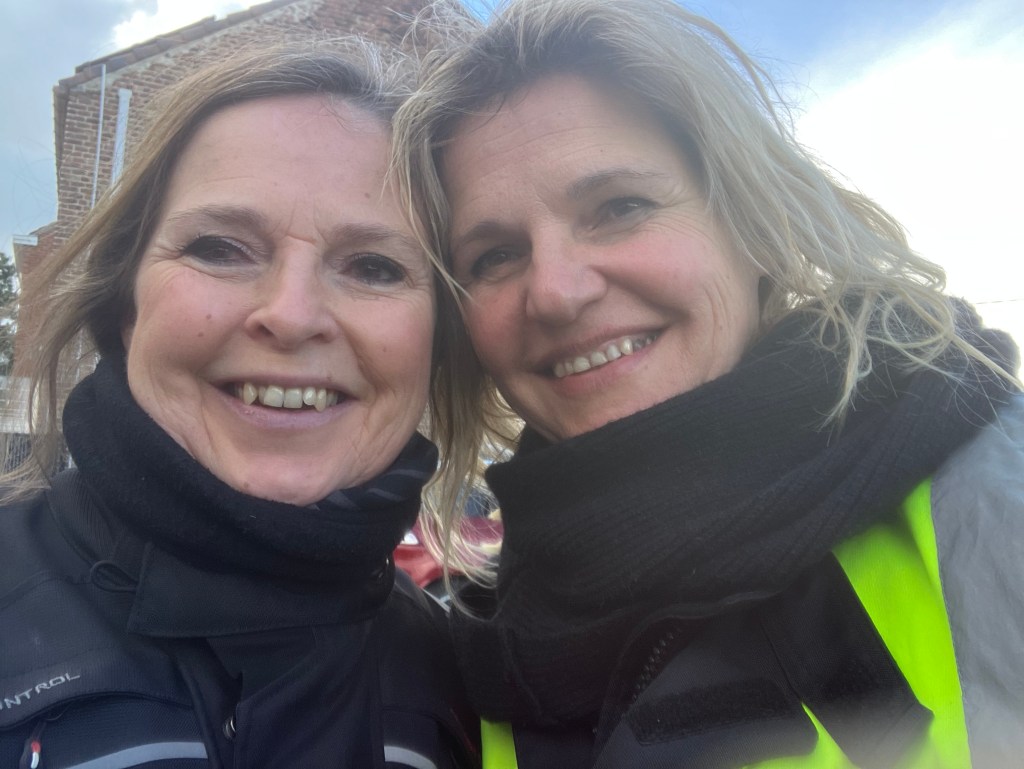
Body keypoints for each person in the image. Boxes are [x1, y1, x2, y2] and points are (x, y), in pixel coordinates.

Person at [394, 0, 1024, 766]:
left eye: (619, 207)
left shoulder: (990, 495)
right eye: (494, 256)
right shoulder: (476, 655)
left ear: (754, 224)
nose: (555, 291)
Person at [0, 43, 478, 768]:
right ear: (125, 305)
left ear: (437, 341)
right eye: (220, 248)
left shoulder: (470, 682)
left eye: (374, 266)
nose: (291, 315)